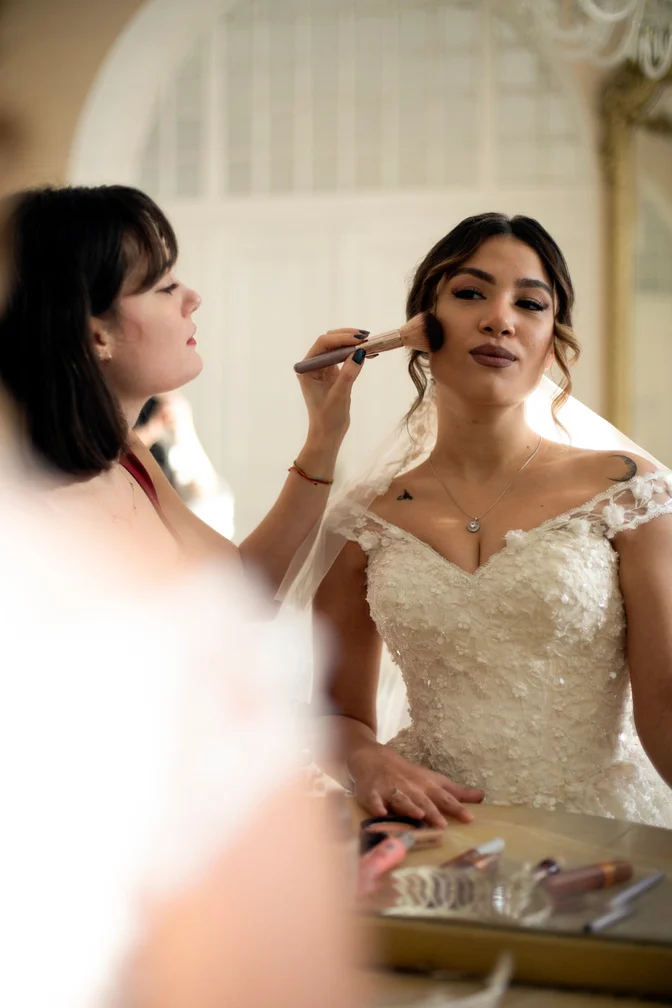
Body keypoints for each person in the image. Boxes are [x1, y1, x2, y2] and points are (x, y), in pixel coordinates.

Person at [308, 212, 672, 830]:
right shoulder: (365, 520)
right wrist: (367, 758)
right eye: (470, 293)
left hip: (594, 831)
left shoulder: (626, 493)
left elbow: (665, 703)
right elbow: (335, 715)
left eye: (529, 303)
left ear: (553, 340)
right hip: (429, 833)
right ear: (421, 328)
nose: (499, 318)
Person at [0, 185, 366, 590]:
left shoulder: (127, 457)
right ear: (96, 336)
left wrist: (324, 434)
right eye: (165, 286)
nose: (193, 298)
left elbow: (242, 589)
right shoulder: (27, 513)